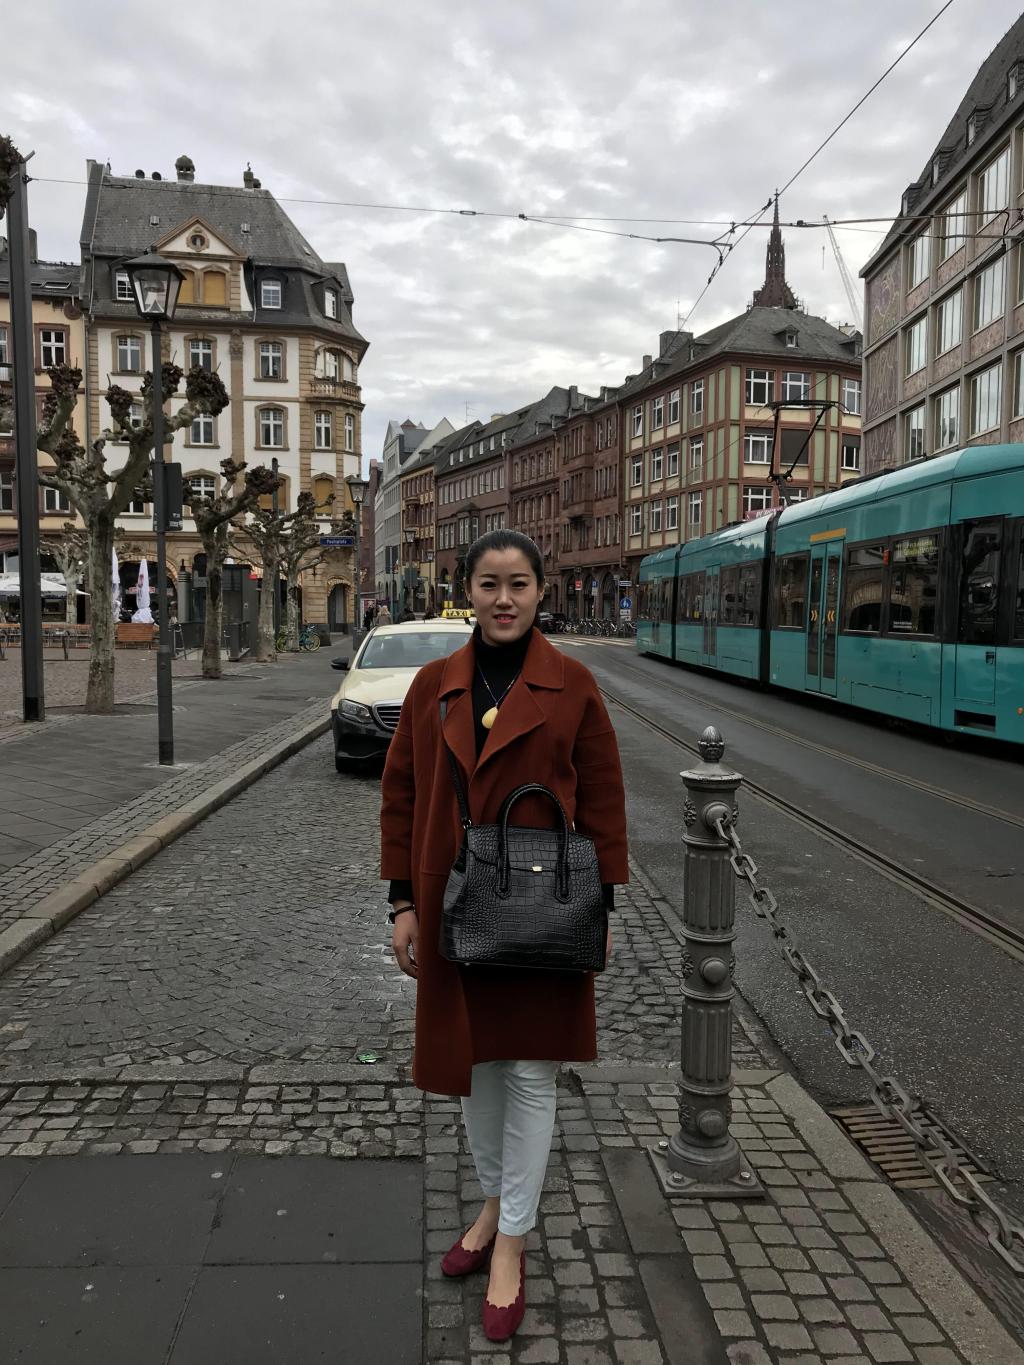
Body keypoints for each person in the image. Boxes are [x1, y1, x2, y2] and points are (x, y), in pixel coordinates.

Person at [380, 529, 627, 1343]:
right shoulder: (434, 685)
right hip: (455, 903)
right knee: (474, 1066)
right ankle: (493, 1207)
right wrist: (401, 901)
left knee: (529, 1072)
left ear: (540, 590)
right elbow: (401, 793)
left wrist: (602, 910)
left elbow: (603, 802)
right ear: (468, 591)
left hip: (543, 909)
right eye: (489, 583)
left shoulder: (574, 684)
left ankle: (511, 1242)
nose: (504, 598)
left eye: (519, 582)